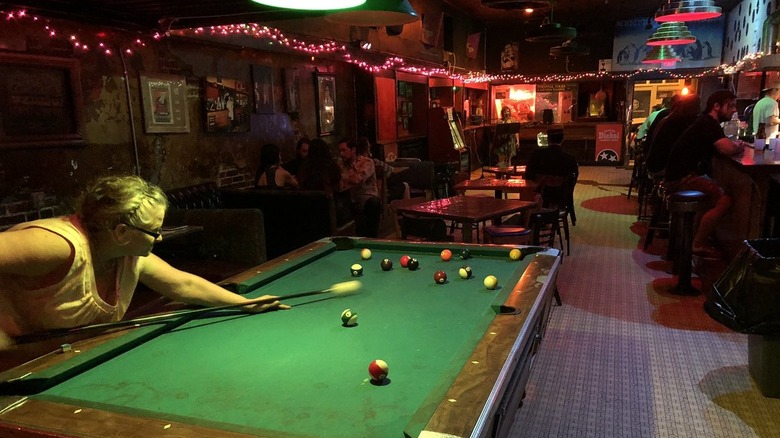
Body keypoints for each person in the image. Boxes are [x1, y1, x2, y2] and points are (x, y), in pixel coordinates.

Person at [0, 175, 288, 339]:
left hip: (55, 361)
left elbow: (182, 285)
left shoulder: (127, 254)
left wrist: (245, 304)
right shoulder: (57, 245)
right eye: (154, 231)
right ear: (122, 231)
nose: (160, 238)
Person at [664, 90, 747, 259]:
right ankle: (697, 244)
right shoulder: (708, 123)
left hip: (677, 175)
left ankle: (692, 240)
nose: (734, 110)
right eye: (730, 105)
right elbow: (727, 149)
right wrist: (739, 146)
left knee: (709, 201)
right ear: (716, 106)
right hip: (682, 177)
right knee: (724, 201)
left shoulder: (704, 122)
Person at [645, 94, 702, 178]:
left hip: (654, 164)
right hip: (666, 168)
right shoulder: (681, 121)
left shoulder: (669, 118)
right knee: (713, 187)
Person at [339, 138, 381, 238]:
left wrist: (342, 176)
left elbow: (358, 179)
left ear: (353, 150)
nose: (341, 154)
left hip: (366, 199)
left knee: (374, 203)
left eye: (344, 150)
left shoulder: (367, 162)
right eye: (340, 151)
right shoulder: (340, 165)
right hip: (349, 200)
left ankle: (372, 239)